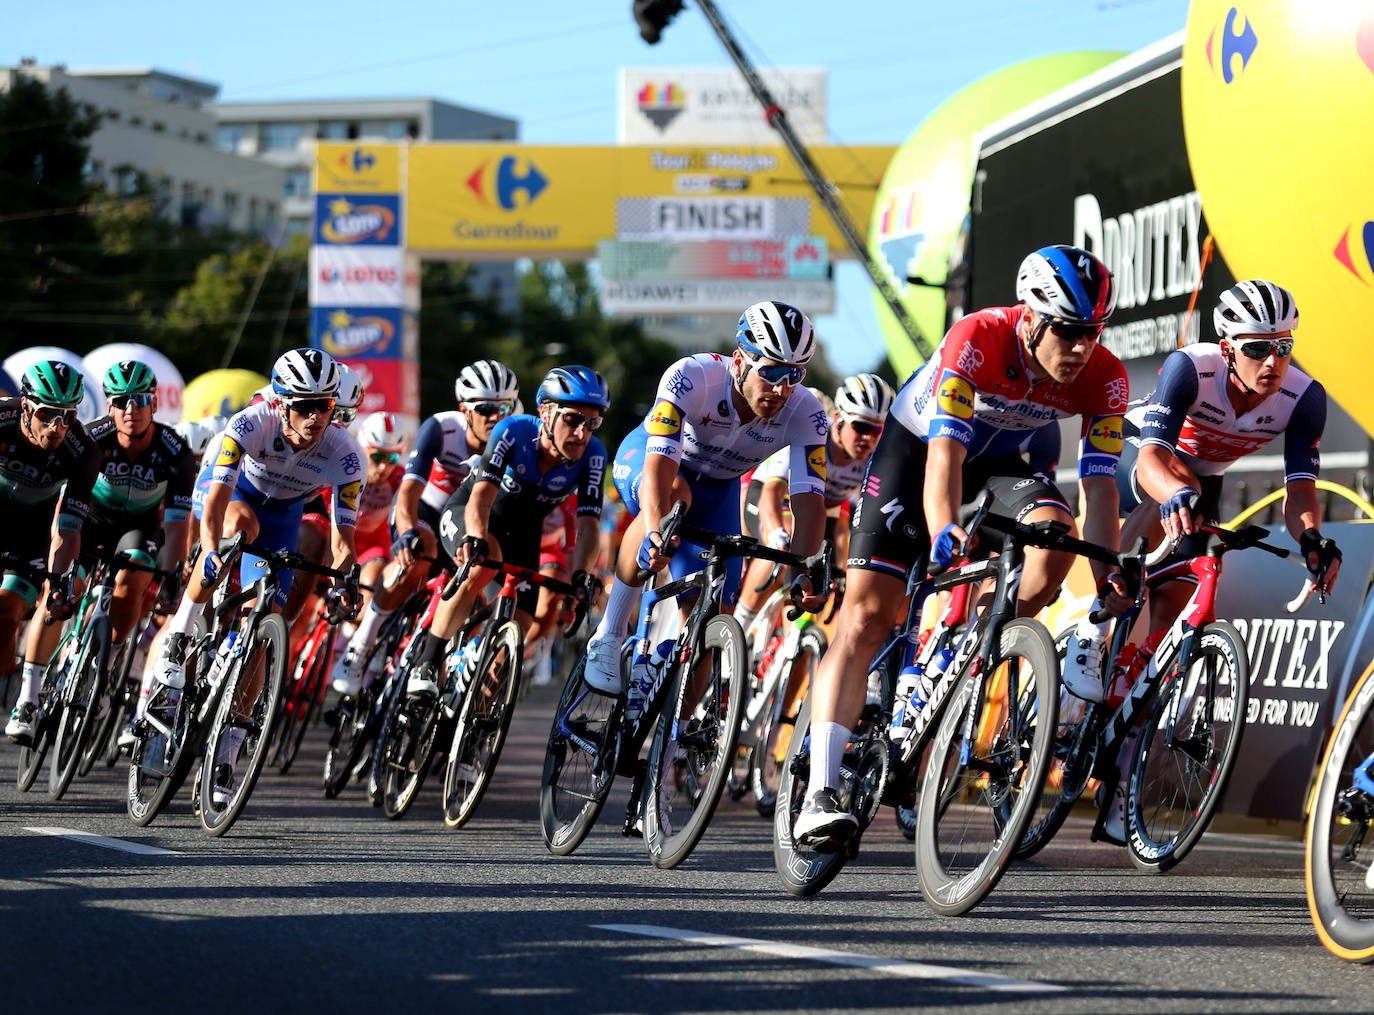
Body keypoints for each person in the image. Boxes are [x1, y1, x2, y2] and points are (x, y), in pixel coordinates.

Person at [796, 244, 1130, 844]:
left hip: (1002, 463)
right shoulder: (978, 337)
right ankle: (819, 791)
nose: (1083, 349)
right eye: (1070, 333)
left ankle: (977, 635)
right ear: (1031, 319)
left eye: (1094, 333)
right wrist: (945, 523)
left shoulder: (1105, 376)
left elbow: (1100, 488)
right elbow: (944, 453)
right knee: (869, 614)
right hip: (917, 452)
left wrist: (1106, 581)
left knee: (1057, 539)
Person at [1081, 278, 1343, 844]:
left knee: (1177, 613)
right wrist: (1172, 492)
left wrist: (1314, 542)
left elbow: (1300, 494)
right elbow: (1153, 458)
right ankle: (1087, 637)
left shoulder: (1305, 397)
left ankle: (1122, 773)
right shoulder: (1189, 369)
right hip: (1151, 463)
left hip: (1204, 480)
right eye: (1256, 348)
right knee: (1143, 544)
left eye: (1283, 346)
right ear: (1227, 349)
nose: (1272, 361)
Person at [583, 300, 831, 695]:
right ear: (739, 360)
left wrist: (802, 570)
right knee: (673, 498)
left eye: (794, 374)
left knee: (713, 619)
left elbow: (808, 503)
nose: (782, 388)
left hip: (719, 489)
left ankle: (670, 747)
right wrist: (653, 531)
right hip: (654, 461)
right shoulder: (692, 376)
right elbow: (661, 469)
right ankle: (609, 635)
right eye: (771, 372)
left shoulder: (808, 413)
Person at [153, 348, 363, 803]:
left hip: (284, 514)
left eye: (324, 406)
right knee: (238, 529)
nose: (314, 417)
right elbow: (213, 502)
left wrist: (347, 580)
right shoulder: (251, 422)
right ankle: (181, 630)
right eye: (303, 406)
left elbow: (343, 541)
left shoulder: (346, 453)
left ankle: (226, 755)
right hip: (235, 496)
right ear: (281, 403)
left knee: (266, 624)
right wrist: (209, 552)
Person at [15, 361, 197, 746]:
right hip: (90, 521)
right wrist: (60, 576)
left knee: (135, 581)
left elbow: (179, 523)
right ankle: (27, 701)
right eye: (121, 401)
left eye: (141, 400)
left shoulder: (175, 450)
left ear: (154, 403)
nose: (132, 410)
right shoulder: (91, 439)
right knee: (58, 594)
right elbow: (67, 513)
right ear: (110, 407)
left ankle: (107, 661)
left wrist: (173, 574)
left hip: (139, 527)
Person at [402, 367, 609, 698]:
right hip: (472, 514)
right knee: (484, 563)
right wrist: (475, 537)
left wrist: (584, 573)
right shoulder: (512, 431)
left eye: (592, 423)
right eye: (572, 420)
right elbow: (481, 496)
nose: (582, 433)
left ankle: (472, 715)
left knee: (523, 622)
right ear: (545, 412)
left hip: (525, 532)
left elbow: (588, 525)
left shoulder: (593, 455)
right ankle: (428, 659)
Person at [330, 359, 518, 694]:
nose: (496, 416)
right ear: (465, 409)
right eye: (486, 408)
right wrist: (406, 533)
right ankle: (363, 640)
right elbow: (408, 494)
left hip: (467, 527)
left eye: (504, 408)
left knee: (475, 593)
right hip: (424, 514)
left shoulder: (513, 440)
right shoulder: (442, 428)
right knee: (419, 553)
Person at [735, 373, 895, 636]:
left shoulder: (871, 462)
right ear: (838, 420)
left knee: (826, 578)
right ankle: (739, 627)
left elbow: (842, 521)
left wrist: (842, 569)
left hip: (816, 513)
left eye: (877, 431)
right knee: (785, 544)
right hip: (769, 498)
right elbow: (771, 493)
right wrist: (775, 535)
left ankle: (793, 643)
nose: (869, 439)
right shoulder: (813, 437)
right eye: (862, 428)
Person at [2, 363, 100, 742]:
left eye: (68, 416)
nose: (56, 426)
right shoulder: (2, 418)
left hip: (31, 533)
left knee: (8, 610)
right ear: (25, 406)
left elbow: (70, 528)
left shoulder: (84, 452)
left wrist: (59, 583)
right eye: (47, 414)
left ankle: (22, 695)